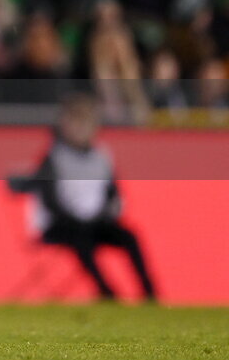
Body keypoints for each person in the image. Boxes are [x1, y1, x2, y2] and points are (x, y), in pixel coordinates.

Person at [8, 92, 157, 301]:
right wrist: (80, 220)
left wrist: (104, 215)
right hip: (59, 226)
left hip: (95, 222)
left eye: (86, 121)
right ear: (64, 124)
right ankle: (106, 291)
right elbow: (52, 203)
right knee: (80, 238)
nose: (80, 128)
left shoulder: (101, 156)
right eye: (75, 121)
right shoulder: (53, 158)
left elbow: (112, 193)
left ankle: (149, 294)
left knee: (129, 237)